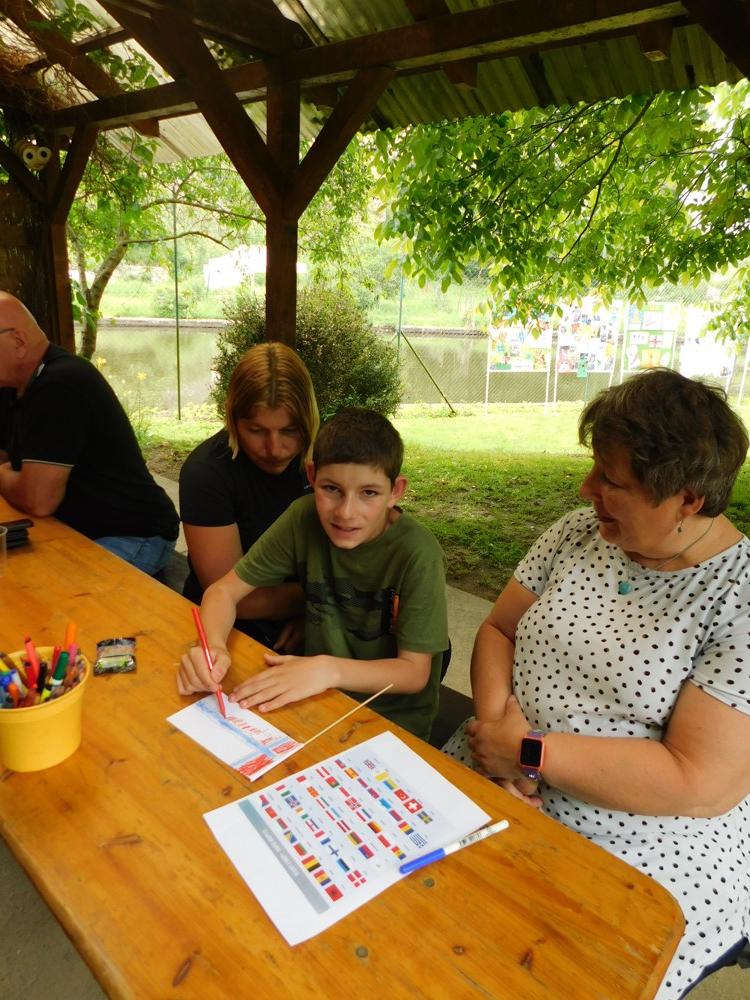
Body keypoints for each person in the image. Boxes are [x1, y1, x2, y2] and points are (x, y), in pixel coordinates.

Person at [443, 368, 750, 1000]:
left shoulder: (737, 597)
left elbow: (696, 780)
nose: (587, 490)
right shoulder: (578, 532)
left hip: (643, 839)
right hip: (496, 765)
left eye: (612, 480)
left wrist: (531, 754)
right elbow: (499, 629)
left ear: (688, 499)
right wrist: (498, 735)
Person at [177, 407, 449, 741]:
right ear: (312, 476)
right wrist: (212, 647)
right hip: (316, 695)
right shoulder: (302, 517)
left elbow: (414, 672)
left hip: (390, 722)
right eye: (331, 489)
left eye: (369, 493)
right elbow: (223, 592)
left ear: (396, 491)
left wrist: (327, 669)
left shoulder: (417, 553)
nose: (346, 512)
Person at [0, 292, 178, 574]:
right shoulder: (13, 386)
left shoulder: (61, 384)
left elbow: (38, 499)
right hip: (72, 529)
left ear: (19, 342)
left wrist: (6, 475)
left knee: (52, 593)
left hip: (134, 534)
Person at [179, 343, 319, 649]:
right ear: (232, 418)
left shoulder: (329, 460)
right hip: (229, 624)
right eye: (256, 430)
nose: (274, 449)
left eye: (290, 430)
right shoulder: (206, 473)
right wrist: (326, 601)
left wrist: (317, 618)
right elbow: (236, 600)